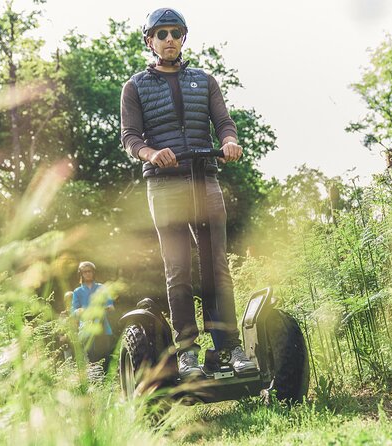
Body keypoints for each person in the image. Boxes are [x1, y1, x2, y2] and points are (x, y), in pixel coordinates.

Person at [120, 7, 257, 379]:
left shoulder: (205, 80)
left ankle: (227, 348)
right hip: (164, 185)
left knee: (216, 267)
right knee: (178, 270)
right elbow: (130, 138)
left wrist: (230, 142)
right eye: (161, 34)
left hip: (204, 179)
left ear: (183, 38)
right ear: (149, 41)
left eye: (175, 33)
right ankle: (187, 353)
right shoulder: (134, 87)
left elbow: (224, 124)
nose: (168, 39)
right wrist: (151, 152)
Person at [72, 261, 115, 368]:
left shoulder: (102, 288)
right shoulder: (77, 292)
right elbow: (74, 311)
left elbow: (111, 306)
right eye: (85, 272)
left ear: (93, 272)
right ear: (81, 274)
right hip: (87, 329)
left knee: (106, 358)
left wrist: (108, 307)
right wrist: (79, 311)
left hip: (103, 328)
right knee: (92, 359)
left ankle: (107, 382)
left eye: (89, 271)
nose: (87, 273)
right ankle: (95, 383)